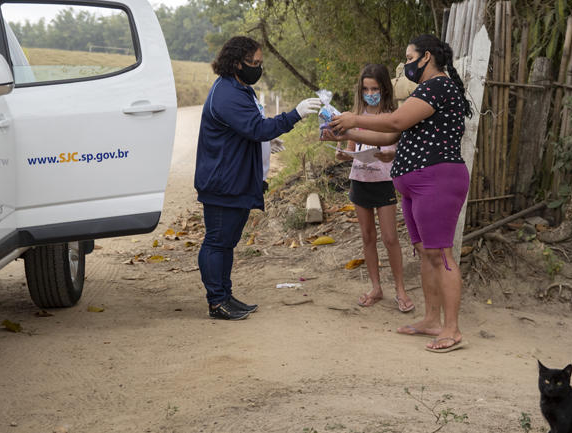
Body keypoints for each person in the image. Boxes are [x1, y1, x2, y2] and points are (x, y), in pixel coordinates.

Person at [327, 35, 473, 352]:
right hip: (416, 183)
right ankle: (431, 320)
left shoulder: (438, 86)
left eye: (409, 57)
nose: (405, 64)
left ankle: (452, 328)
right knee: (425, 253)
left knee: (441, 254)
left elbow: (395, 119)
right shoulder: (425, 91)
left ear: (427, 57)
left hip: (437, 179)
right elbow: (393, 132)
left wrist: (354, 118)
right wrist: (343, 132)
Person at [195, 36, 321, 320]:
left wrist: (266, 142)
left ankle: (225, 295)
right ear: (236, 62)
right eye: (254, 63)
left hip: (235, 179)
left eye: (260, 63)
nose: (258, 68)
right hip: (222, 182)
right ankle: (216, 302)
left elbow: (248, 131)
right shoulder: (227, 93)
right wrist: (294, 115)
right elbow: (255, 128)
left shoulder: (239, 88)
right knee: (216, 241)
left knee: (227, 241)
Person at [335, 64, 414, 312]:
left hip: (385, 183)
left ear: (385, 89)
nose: (370, 93)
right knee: (368, 236)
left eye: (375, 88)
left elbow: (403, 151)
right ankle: (375, 287)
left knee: (390, 238)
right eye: (366, 88)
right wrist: (343, 155)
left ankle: (400, 290)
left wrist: (393, 157)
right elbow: (349, 149)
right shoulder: (354, 117)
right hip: (360, 180)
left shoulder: (393, 117)